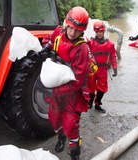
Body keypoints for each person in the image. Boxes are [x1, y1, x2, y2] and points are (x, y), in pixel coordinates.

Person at [41, 6, 90, 160]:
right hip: (56, 91)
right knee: (54, 118)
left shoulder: (81, 49)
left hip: (72, 94)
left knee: (71, 125)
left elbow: (77, 81)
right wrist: (46, 46)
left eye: (77, 30)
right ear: (66, 23)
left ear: (82, 31)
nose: (72, 32)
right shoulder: (59, 32)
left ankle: (75, 152)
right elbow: (49, 38)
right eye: (70, 27)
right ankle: (61, 136)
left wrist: (53, 90)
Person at [88, 20, 118, 113]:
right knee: (91, 86)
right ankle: (90, 102)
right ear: (95, 32)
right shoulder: (90, 42)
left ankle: (97, 104)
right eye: (98, 32)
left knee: (102, 88)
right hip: (93, 68)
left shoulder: (110, 44)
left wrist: (115, 67)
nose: (99, 34)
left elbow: (113, 56)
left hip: (103, 68)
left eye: (101, 32)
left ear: (104, 32)